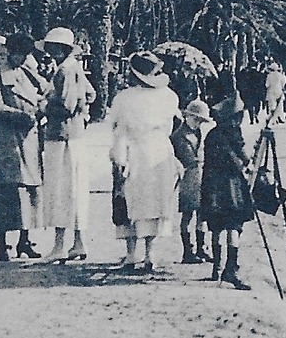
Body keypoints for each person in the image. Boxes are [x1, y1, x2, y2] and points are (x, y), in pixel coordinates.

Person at [108, 51, 183, 272]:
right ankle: (150, 254)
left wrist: (118, 156)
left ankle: (132, 254)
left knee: (129, 198)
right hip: (159, 149)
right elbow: (175, 123)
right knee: (155, 200)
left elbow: (116, 126)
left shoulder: (123, 98)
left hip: (133, 149)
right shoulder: (168, 96)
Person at [0, 34, 47, 260]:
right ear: (10, 52)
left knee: (31, 189)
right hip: (7, 139)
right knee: (7, 189)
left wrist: (41, 109)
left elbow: (44, 94)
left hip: (29, 138)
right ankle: (2, 242)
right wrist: (17, 115)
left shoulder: (29, 72)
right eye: (20, 53)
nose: (23, 58)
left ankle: (25, 240)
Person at [39, 27, 94, 261]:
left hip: (61, 137)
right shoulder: (75, 69)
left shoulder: (65, 70)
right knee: (75, 190)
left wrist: (43, 105)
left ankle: (60, 245)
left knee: (60, 191)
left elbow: (66, 106)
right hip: (74, 135)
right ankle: (77, 242)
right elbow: (90, 94)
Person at [199, 94, 254, 289]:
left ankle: (217, 267)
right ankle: (231, 269)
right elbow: (238, 158)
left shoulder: (212, 134)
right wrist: (247, 162)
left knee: (215, 225)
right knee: (233, 224)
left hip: (212, 187)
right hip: (229, 187)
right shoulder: (231, 133)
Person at [174, 98, 210, 264]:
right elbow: (188, 158)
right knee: (188, 214)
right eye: (196, 119)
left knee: (202, 214)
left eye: (200, 121)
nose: (198, 123)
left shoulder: (197, 133)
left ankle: (201, 248)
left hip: (200, 176)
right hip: (188, 177)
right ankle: (187, 251)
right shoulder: (179, 136)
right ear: (187, 117)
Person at [263, 60, 286, 125]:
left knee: (272, 106)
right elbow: (284, 82)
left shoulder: (269, 76)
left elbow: (267, 85)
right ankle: (278, 117)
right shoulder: (280, 75)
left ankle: (273, 120)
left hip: (271, 92)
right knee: (279, 106)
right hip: (279, 91)